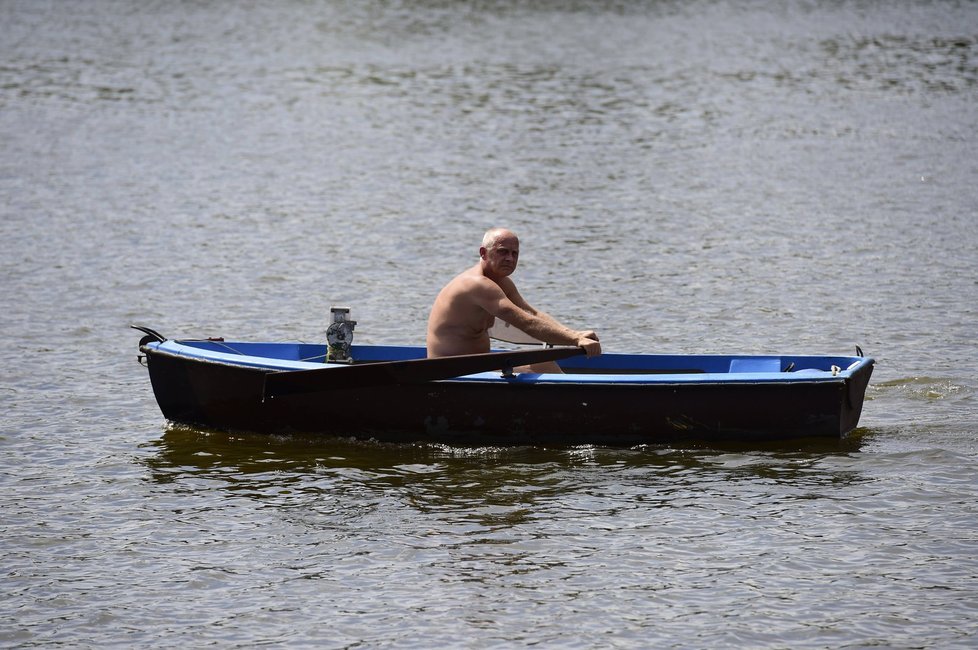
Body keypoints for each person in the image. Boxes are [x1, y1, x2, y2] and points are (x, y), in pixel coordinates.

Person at [426, 228, 601, 372]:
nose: (510, 258)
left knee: (543, 363)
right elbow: (527, 323)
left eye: (514, 253)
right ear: (483, 253)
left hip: (477, 368)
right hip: (449, 373)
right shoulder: (477, 284)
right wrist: (575, 340)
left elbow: (531, 314)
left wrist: (574, 333)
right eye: (503, 252)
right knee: (544, 366)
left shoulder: (501, 282)